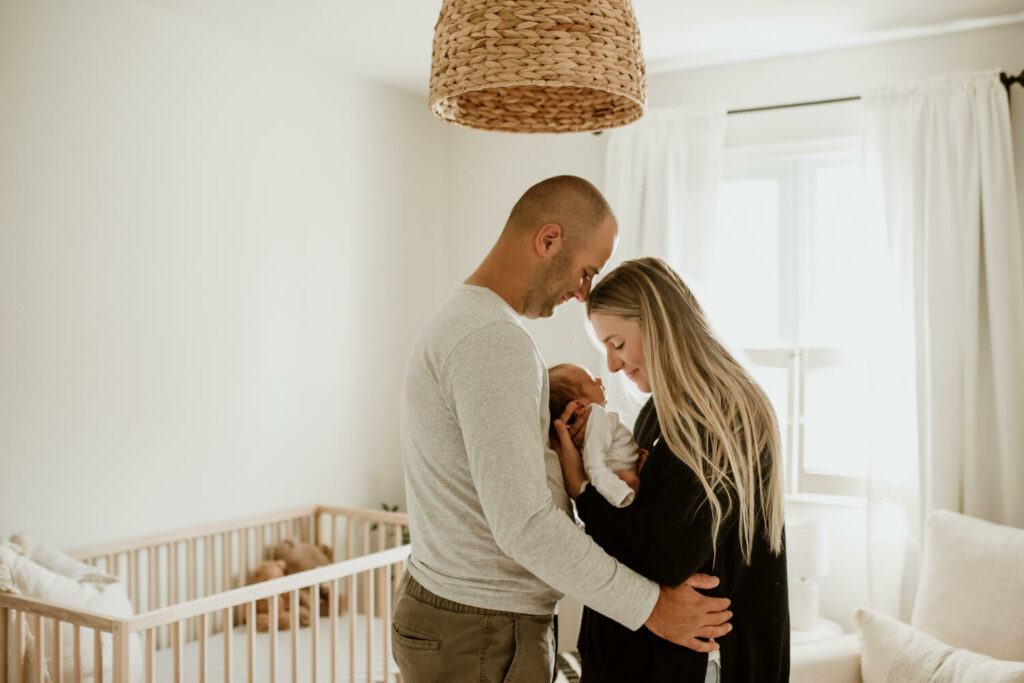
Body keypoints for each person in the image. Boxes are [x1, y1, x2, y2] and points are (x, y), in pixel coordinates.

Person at [394, 177, 733, 682]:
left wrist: (539, 401)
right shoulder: (493, 339)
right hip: (484, 629)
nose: (582, 292)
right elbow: (525, 524)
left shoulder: (470, 323)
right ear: (548, 239)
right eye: (586, 272)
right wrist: (654, 608)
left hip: (465, 619)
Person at [552, 257, 790, 683]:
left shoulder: (717, 415)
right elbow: (654, 528)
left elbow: (669, 556)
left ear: (658, 324)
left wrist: (584, 493)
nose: (610, 365)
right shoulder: (659, 411)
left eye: (618, 344)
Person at [548, 363, 641, 506]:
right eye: (592, 381)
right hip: (616, 487)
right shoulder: (596, 413)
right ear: (579, 406)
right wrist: (620, 493)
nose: (599, 380)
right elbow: (595, 465)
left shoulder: (585, 434)